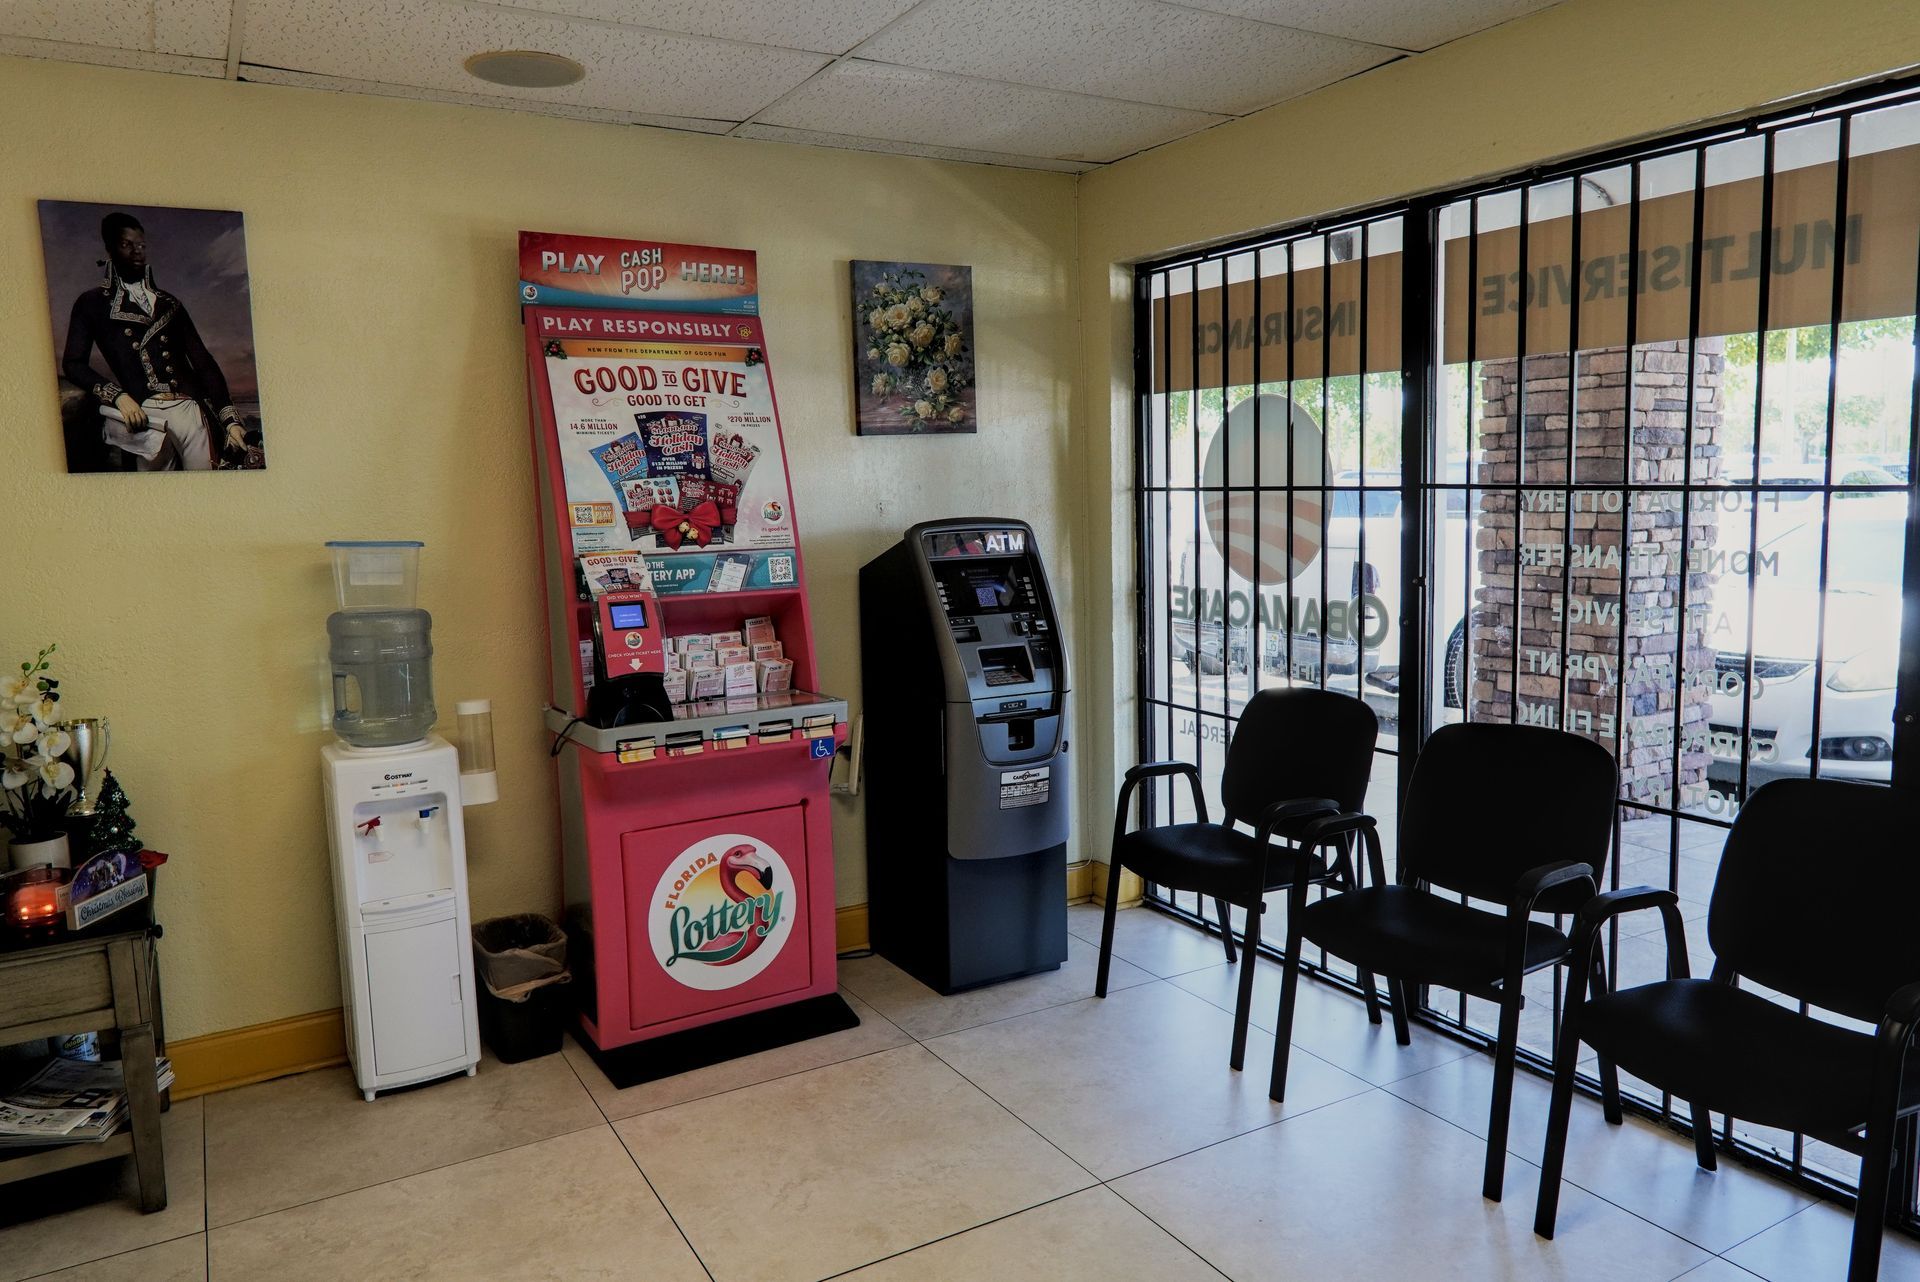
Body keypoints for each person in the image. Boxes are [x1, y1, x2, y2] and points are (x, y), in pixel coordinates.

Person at [61, 212, 246, 471]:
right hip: (142, 413)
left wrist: (230, 421)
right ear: (110, 248)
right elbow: (73, 363)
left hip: (190, 411)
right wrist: (119, 397)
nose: (137, 252)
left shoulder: (171, 304)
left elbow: (203, 363)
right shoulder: (92, 303)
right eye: (127, 244)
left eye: (141, 245)